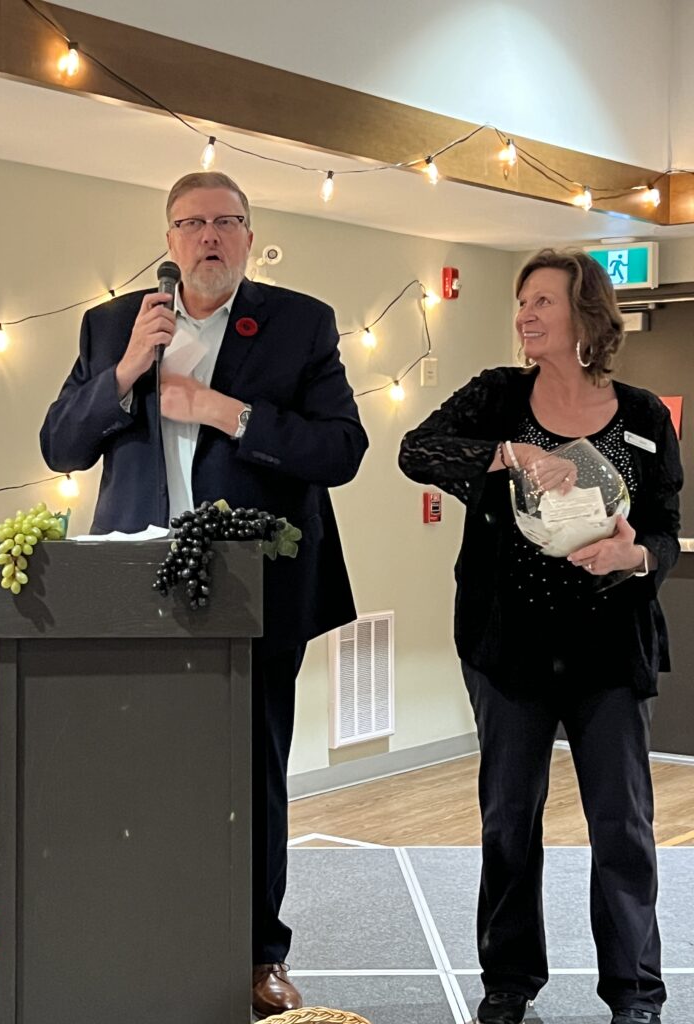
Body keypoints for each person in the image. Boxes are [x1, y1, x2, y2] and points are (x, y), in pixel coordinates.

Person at [40, 170, 368, 1016]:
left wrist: (228, 411)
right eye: (192, 223)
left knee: (252, 775)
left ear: (250, 236)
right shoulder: (113, 324)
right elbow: (61, 447)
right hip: (138, 586)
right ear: (170, 238)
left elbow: (341, 450)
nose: (209, 237)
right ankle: (150, 930)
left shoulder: (301, 322)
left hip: (258, 588)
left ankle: (261, 955)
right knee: (144, 771)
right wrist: (126, 371)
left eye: (226, 221)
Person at [398, 248, 682, 1024]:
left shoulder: (644, 416)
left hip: (609, 651)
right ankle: (508, 983)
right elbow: (415, 451)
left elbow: (664, 529)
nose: (525, 314)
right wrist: (510, 453)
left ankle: (635, 993)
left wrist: (635, 557)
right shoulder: (497, 397)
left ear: (587, 314)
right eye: (521, 302)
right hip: (509, 649)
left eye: (543, 301)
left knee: (622, 826)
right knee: (508, 823)